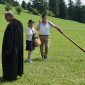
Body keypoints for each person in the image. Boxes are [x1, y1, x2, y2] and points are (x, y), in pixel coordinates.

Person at [2, 11, 23, 81]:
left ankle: (10, 76)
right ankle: (17, 73)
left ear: (8, 17)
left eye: (5, 17)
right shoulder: (19, 23)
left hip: (11, 48)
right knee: (16, 61)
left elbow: (9, 39)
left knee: (10, 62)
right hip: (18, 47)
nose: (5, 19)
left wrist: (8, 49)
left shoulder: (10, 25)